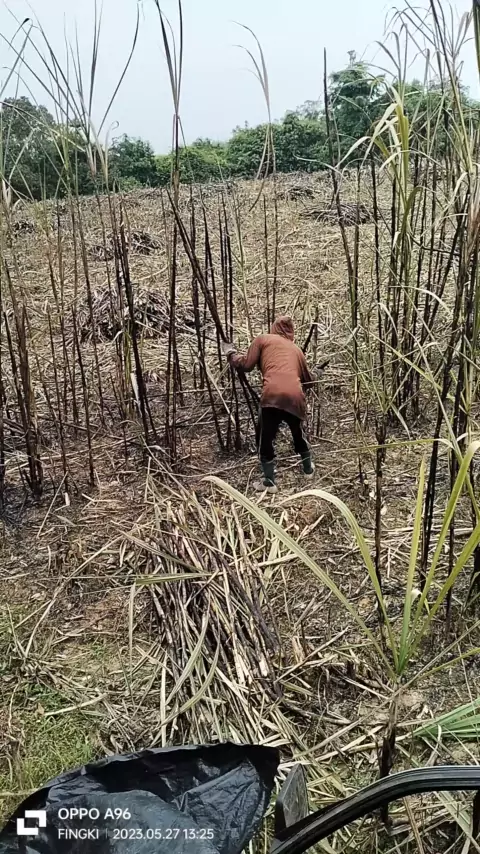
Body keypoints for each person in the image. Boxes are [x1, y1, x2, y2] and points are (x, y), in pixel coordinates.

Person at [222, 316, 315, 494]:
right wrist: (318, 372)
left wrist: (230, 354)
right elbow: (309, 381)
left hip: (272, 396)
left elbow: (246, 365)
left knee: (265, 439)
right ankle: (308, 470)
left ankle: (269, 483)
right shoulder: (296, 350)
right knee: (298, 434)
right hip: (295, 398)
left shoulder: (263, 340)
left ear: (274, 327)